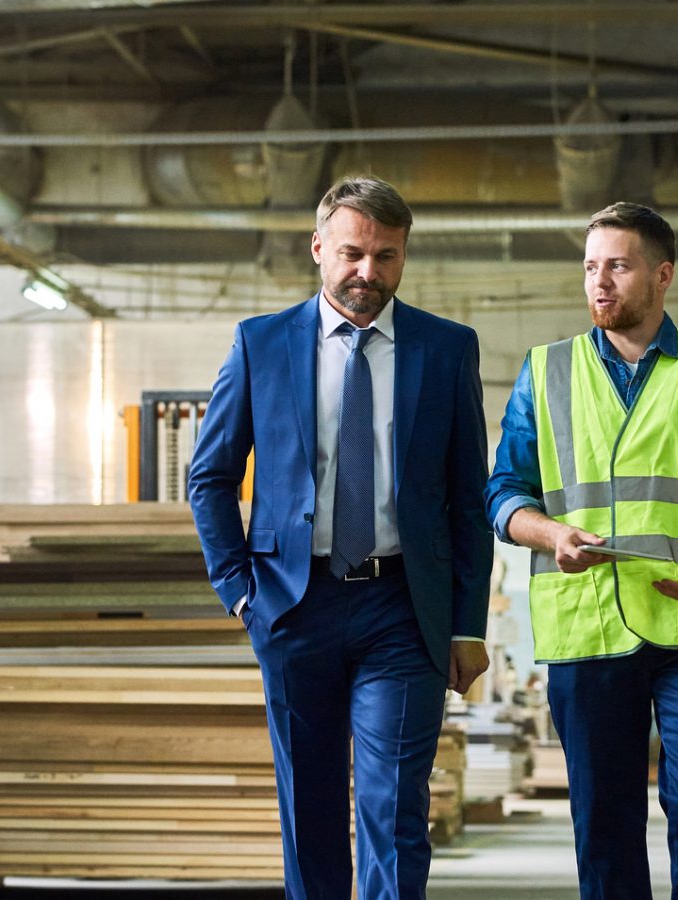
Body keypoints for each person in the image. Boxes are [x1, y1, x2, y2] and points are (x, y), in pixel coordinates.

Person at [188, 175, 492, 900]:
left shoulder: (446, 350)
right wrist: (240, 593)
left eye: (387, 256)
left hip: (402, 610)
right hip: (294, 605)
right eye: (354, 253)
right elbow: (210, 477)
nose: (368, 273)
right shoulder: (260, 344)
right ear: (319, 248)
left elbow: (467, 499)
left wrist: (467, 624)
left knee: (393, 808)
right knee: (311, 810)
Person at [486, 202, 678, 900]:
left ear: (663, 275)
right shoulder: (545, 371)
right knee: (604, 816)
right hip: (585, 622)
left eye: (618, 266)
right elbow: (502, 495)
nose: (601, 282)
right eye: (591, 267)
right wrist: (552, 534)